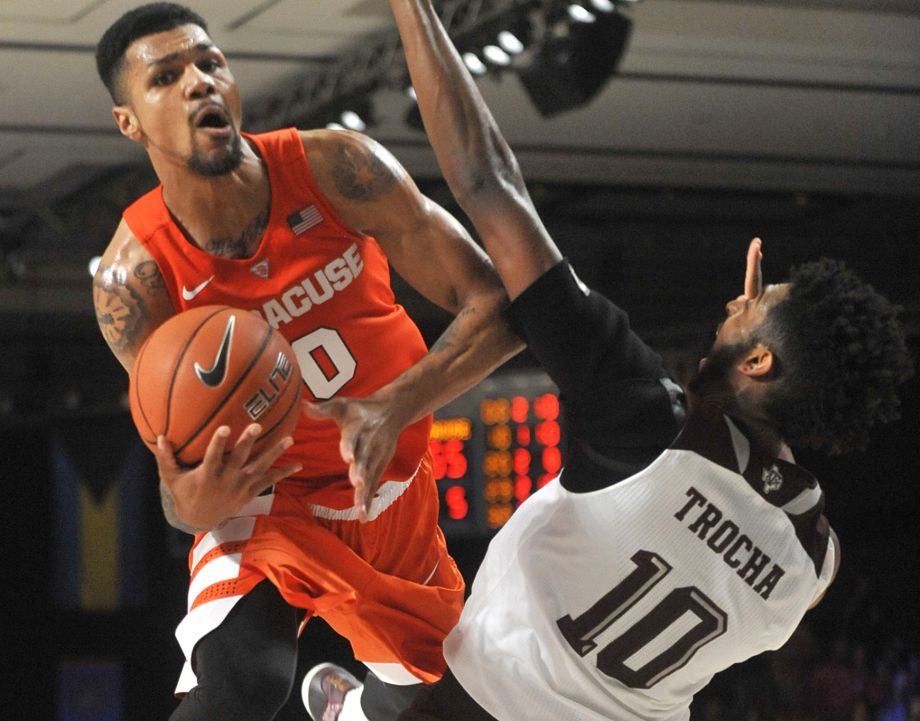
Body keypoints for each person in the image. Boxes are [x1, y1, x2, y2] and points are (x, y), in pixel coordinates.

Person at [302, 1, 914, 720]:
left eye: (748, 307)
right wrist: (749, 342)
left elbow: (487, 181)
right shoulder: (811, 562)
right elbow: (743, 499)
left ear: (758, 361)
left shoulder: (647, 421)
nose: (731, 303)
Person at [90, 3, 522, 720]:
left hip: (388, 484)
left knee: (429, 709)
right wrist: (197, 499)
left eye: (209, 62)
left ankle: (348, 710)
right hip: (269, 502)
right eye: (167, 77)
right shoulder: (133, 280)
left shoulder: (336, 168)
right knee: (243, 681)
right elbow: (181, 493)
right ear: (129, 123)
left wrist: (395, 404)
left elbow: (500, 309)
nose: (199, 82)